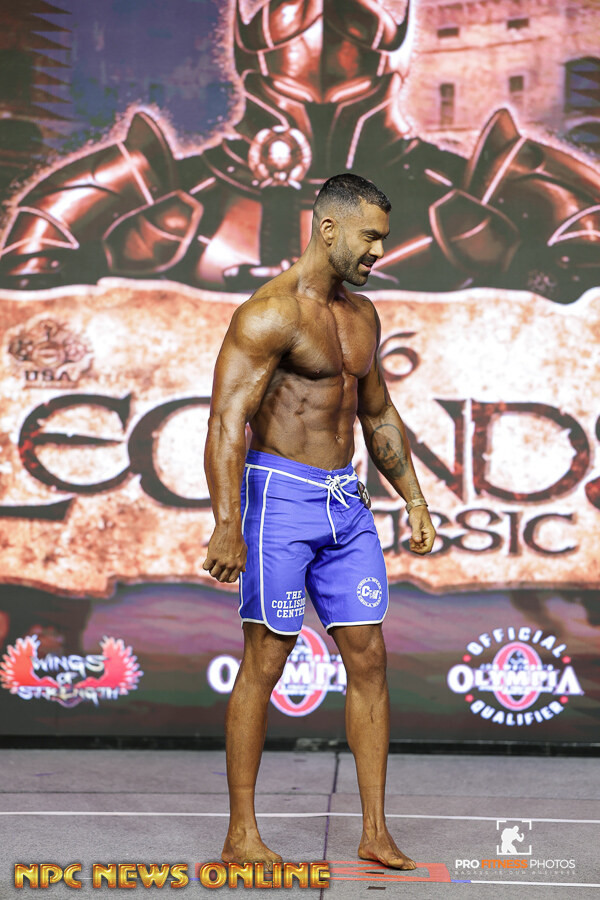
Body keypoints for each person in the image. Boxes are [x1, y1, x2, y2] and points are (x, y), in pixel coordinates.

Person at [203, 173, 436, 870]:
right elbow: (227, 422)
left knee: (369, 656)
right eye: (370, 237)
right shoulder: (269, 314)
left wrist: (414, 498)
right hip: (279, 496)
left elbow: (377, 414)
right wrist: (226, 523)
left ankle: (375, 831)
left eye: (383, 239)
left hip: (344, 501)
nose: (378, 252)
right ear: (328, 229)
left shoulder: (362, 316)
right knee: (266, 658)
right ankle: (241, 834)